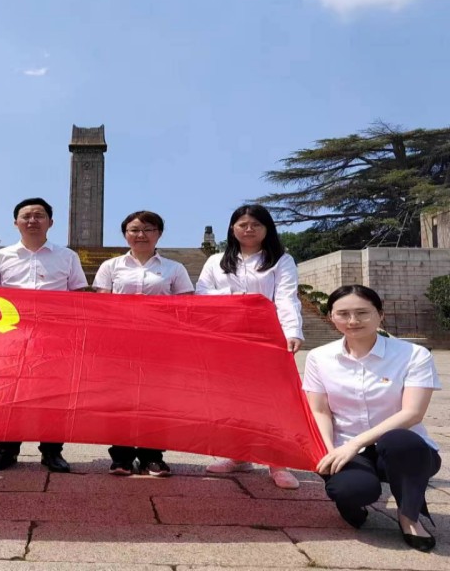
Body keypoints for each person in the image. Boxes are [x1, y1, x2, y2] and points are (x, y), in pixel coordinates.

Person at [303, 285, 441, 552]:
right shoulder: (319, 358)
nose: (353, 321)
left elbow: (412, 413)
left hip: (402, 450)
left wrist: (356, 443)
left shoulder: (413, 355)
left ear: (380, 314)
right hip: (345, 446)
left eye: (362, 313)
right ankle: (352, 504)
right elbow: (320, 410)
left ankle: (409, 516)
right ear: (331, 317)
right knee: (351, 491)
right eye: (343, 313)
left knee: (399, 440)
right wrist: (329, 450)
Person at [196, 204, 303, 490]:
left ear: (267, 229)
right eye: (242, 224)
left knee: (272, 399)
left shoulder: (280, 260)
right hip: (227, 337)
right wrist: (237, 297)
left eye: (256, 224)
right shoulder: (217, 261)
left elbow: (286, 297)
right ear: (232, 229)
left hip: (266, 335)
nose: (249, 229)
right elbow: (202, 294)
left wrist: (292, 331)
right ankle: (239, 454)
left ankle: (278, 462)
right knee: (232, 398)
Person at [0, 198, 89, 474]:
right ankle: (6, 450)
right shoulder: (0, 257)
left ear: (50, 222)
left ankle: (52, 451)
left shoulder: (67, 256)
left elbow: (78, 295)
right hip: (10, 336)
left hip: (54, 337)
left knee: (53, 393)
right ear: (16, 222)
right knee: (8, 392)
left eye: (39, 216)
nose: (32, 221)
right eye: (26, 216)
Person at [93, 210, 194, 477]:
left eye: (148, 229)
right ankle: (121, 456)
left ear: (159, 234)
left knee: (156, 399)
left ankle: (152, 456)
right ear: (125, 234)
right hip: (119, 343)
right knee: (119, 399)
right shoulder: (111, 267)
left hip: (160, 343)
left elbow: (186, 306)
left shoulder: (174, 268)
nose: (141, 235)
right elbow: (102, 304)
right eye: (134, 230)